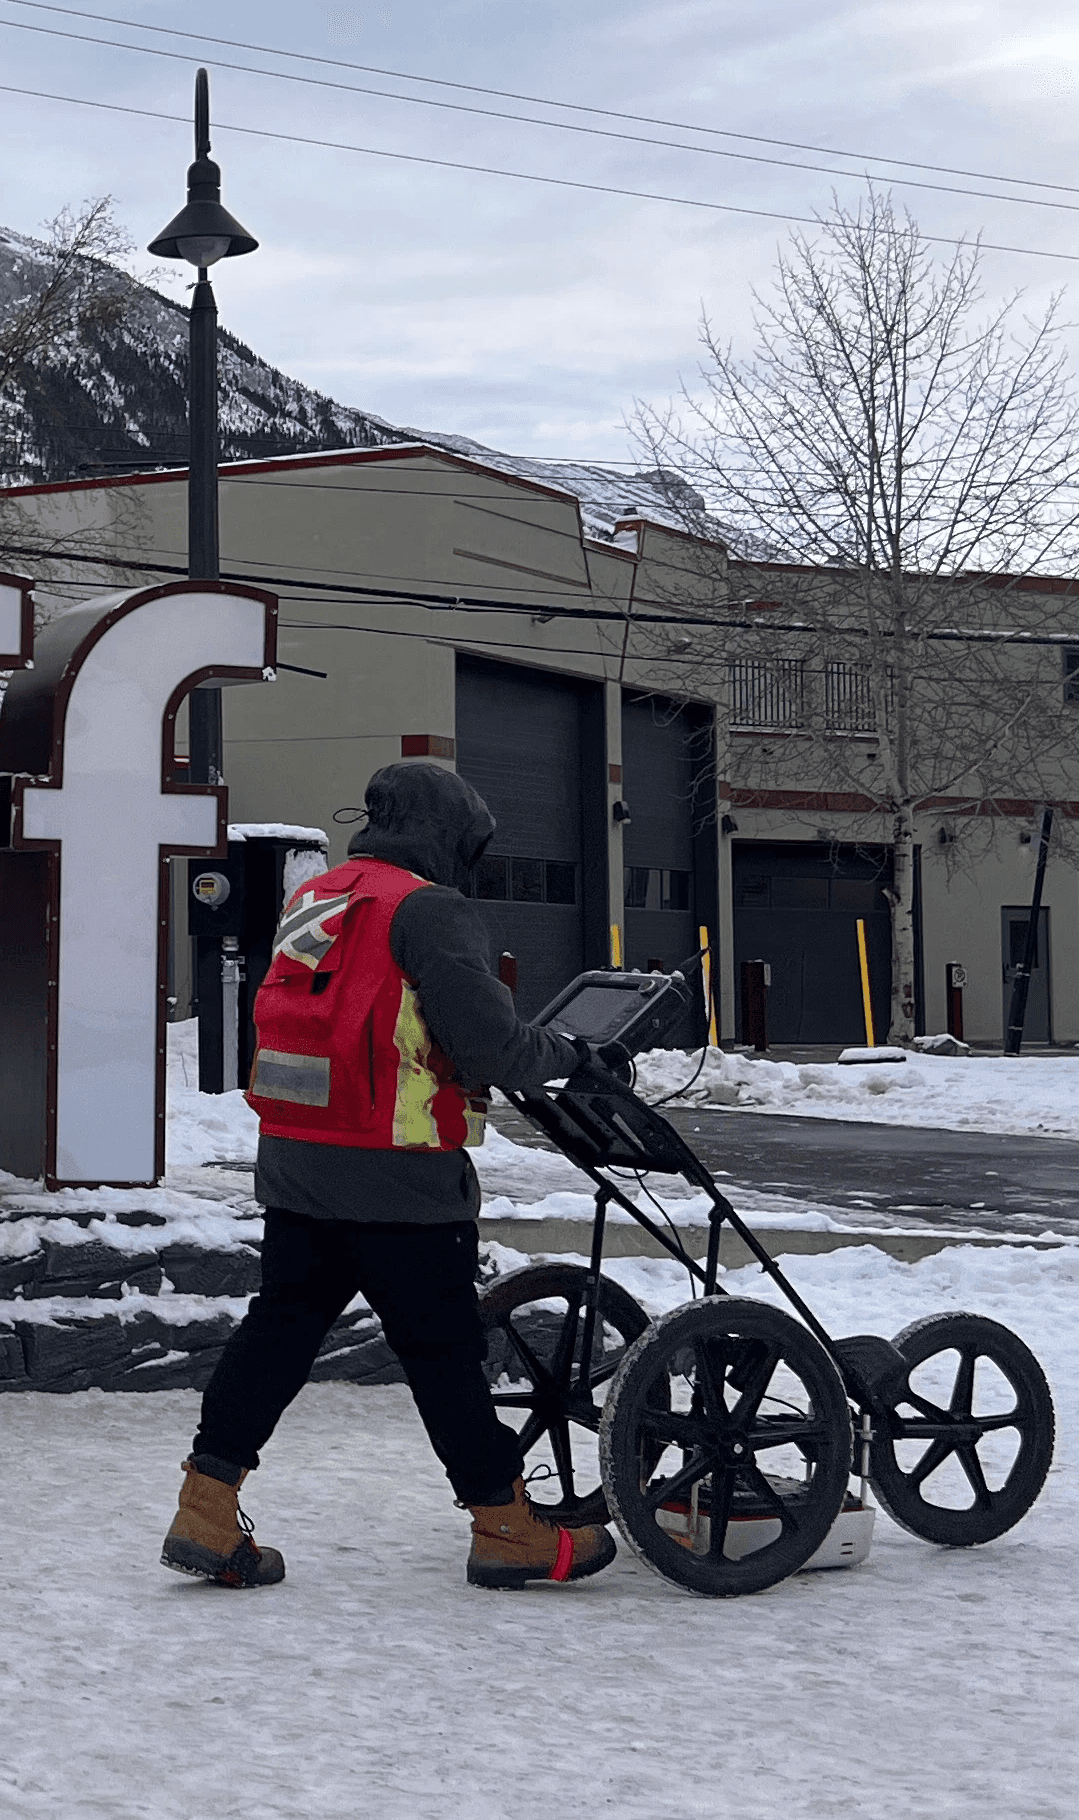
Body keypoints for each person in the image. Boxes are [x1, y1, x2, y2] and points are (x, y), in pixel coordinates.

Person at [161, 762, 617, 1591]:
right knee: (443, 1351)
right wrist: (580, 1056)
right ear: (450, 836)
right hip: (398, 1180)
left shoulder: (322, 897)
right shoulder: (428, 908)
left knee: (279, 1333)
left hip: (299, 1164)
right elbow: (490, 1048)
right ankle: (504, 1526)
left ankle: (206, 1505)